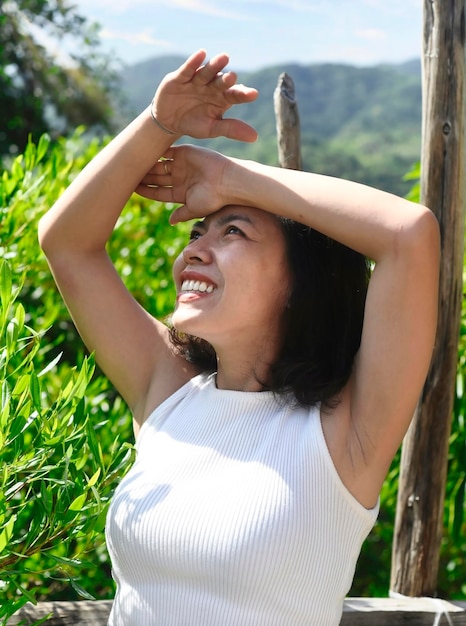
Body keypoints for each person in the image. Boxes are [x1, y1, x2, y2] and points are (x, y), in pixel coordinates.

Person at [38, 49, 440, 626]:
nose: (196, 248)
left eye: (233, 231)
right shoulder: (169, 392)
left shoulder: (344, 435)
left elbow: (409, 235)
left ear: (298, 283)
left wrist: (227, 176)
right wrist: (159, 123)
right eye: (199, 230)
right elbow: (66, 243)